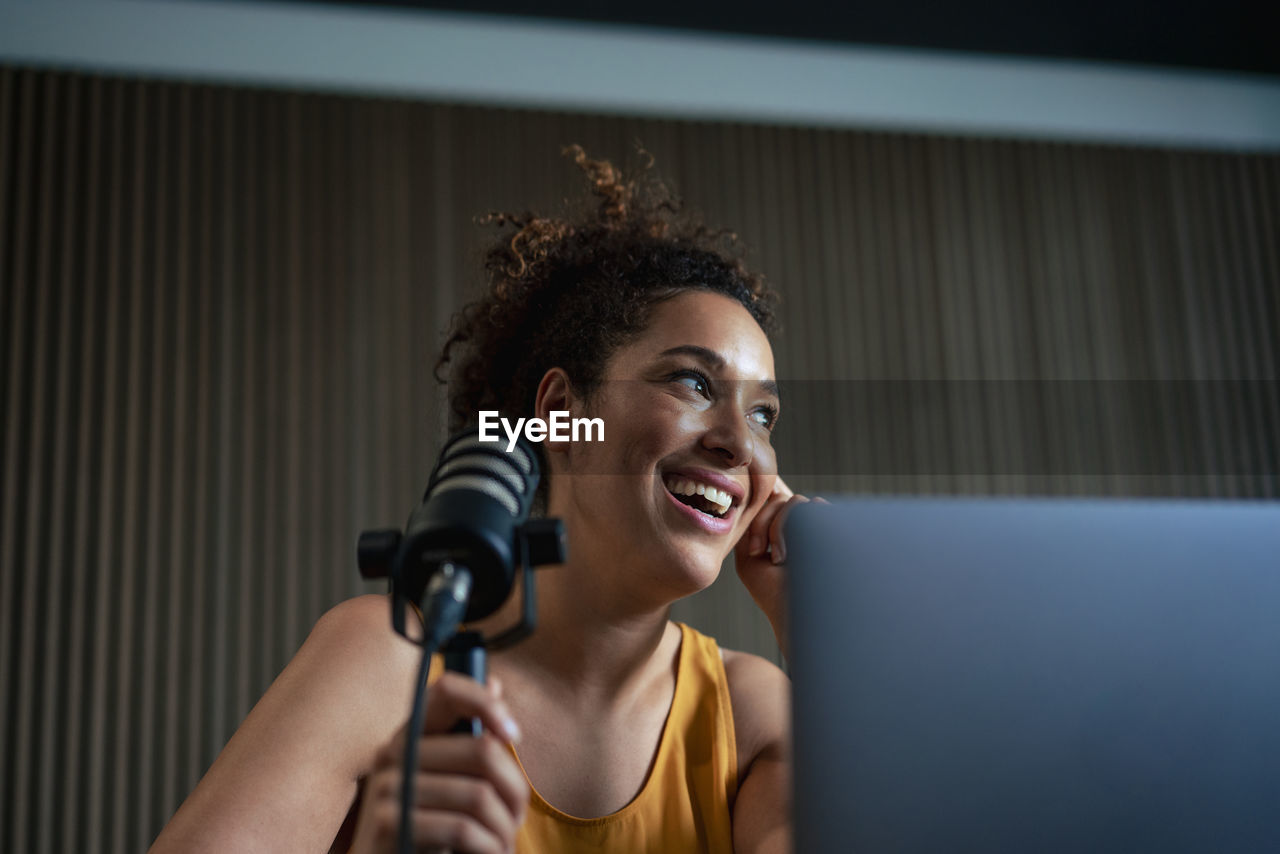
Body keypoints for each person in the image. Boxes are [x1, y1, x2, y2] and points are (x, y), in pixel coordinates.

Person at [150, 146, 807, 854]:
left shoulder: (756, 713)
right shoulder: (389, 661)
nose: (741, 446)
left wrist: (822, 632)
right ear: (560, 412)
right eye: (693, 384)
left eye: (763, 414)